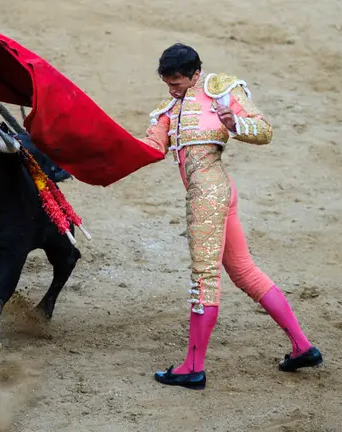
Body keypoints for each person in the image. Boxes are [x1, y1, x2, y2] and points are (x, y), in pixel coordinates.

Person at [138, 43, 323, 390]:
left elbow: (265, 129)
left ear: (195, 74)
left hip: (209, 194)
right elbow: (150, 147)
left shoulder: (220, 90)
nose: (172, 90)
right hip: (218, 193)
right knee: (244, 271)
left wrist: (235, 123)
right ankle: (302, 346)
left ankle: (193, 367)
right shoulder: (167, 108)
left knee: (204, 277)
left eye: (177, 83)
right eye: (167, 83)